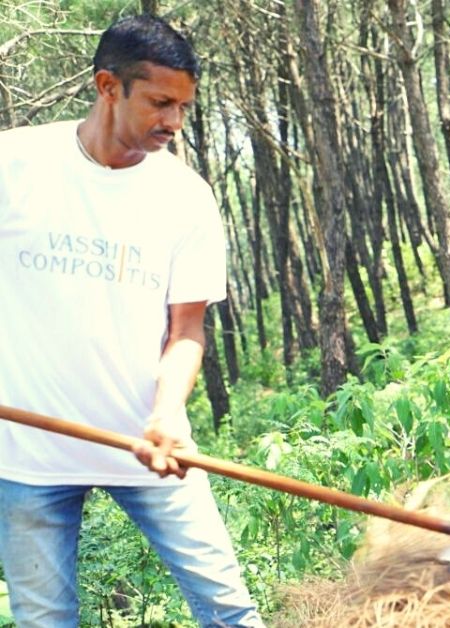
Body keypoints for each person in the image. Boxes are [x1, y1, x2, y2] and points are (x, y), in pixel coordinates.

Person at [0, 15, 262, 627]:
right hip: (27, 456)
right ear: (107, 86)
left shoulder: (186, 197)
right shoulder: (14, 165)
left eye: (184, 107)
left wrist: (168, 413)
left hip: (150, 445)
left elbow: (186, 331)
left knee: (230, 612)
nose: (173, 121)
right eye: (160, 102)